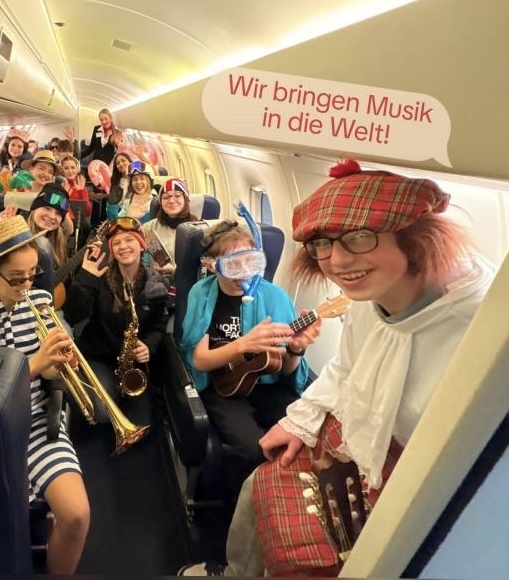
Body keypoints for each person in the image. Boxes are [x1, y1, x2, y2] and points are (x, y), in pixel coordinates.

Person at [178, 159, 496, 577]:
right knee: (259, 477)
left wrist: (293, 354)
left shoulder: (487, 331)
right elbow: (345, 369)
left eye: (360, 237)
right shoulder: (368, 300)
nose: (338, 261)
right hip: (288, 408)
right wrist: (301, 421)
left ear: (417, 236)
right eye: (323, 244)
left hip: (428, 486)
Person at [0, 216, 90, 575]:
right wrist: (36, 362)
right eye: (16, 278)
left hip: (38, 423)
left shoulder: (41, 300)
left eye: (32, 274)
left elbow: (51, 373)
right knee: (2, 526)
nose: (27, 285)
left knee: (76, 515)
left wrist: (61, 364)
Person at [178, 220, 316, 505]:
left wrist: (296, 350)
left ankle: (289, 506)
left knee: (303, 436)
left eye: (250, 262)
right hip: (223, 387)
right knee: (251, 449)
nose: (243, 272)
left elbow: (285, 369)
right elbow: (200, 361)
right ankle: (240, 509)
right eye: (233, 264)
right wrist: (243, 344)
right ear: (212, 265)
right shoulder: (201, 294)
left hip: (269, 386)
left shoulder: (275, 296)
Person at [61, 217, 169, 428]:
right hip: (99, 358)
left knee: (143, 424)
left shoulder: (156, 284)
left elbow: (159, 324)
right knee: (102, 414)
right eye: (116, 243)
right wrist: (85, 278)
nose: (123, 246)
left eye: (129, 240)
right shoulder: (98, 278)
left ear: (142, 245)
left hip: (133, 365)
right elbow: (72, 316)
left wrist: (149, 345)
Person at [142, 178, 199, 283]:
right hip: (156, 285)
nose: (171, 201)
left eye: (177, 196)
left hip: (187, 285)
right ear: (160, 202)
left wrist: (174, 271)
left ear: (186, 199)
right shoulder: (149, 228)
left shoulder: (197, 230)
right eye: (166, 197)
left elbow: (201, 269)